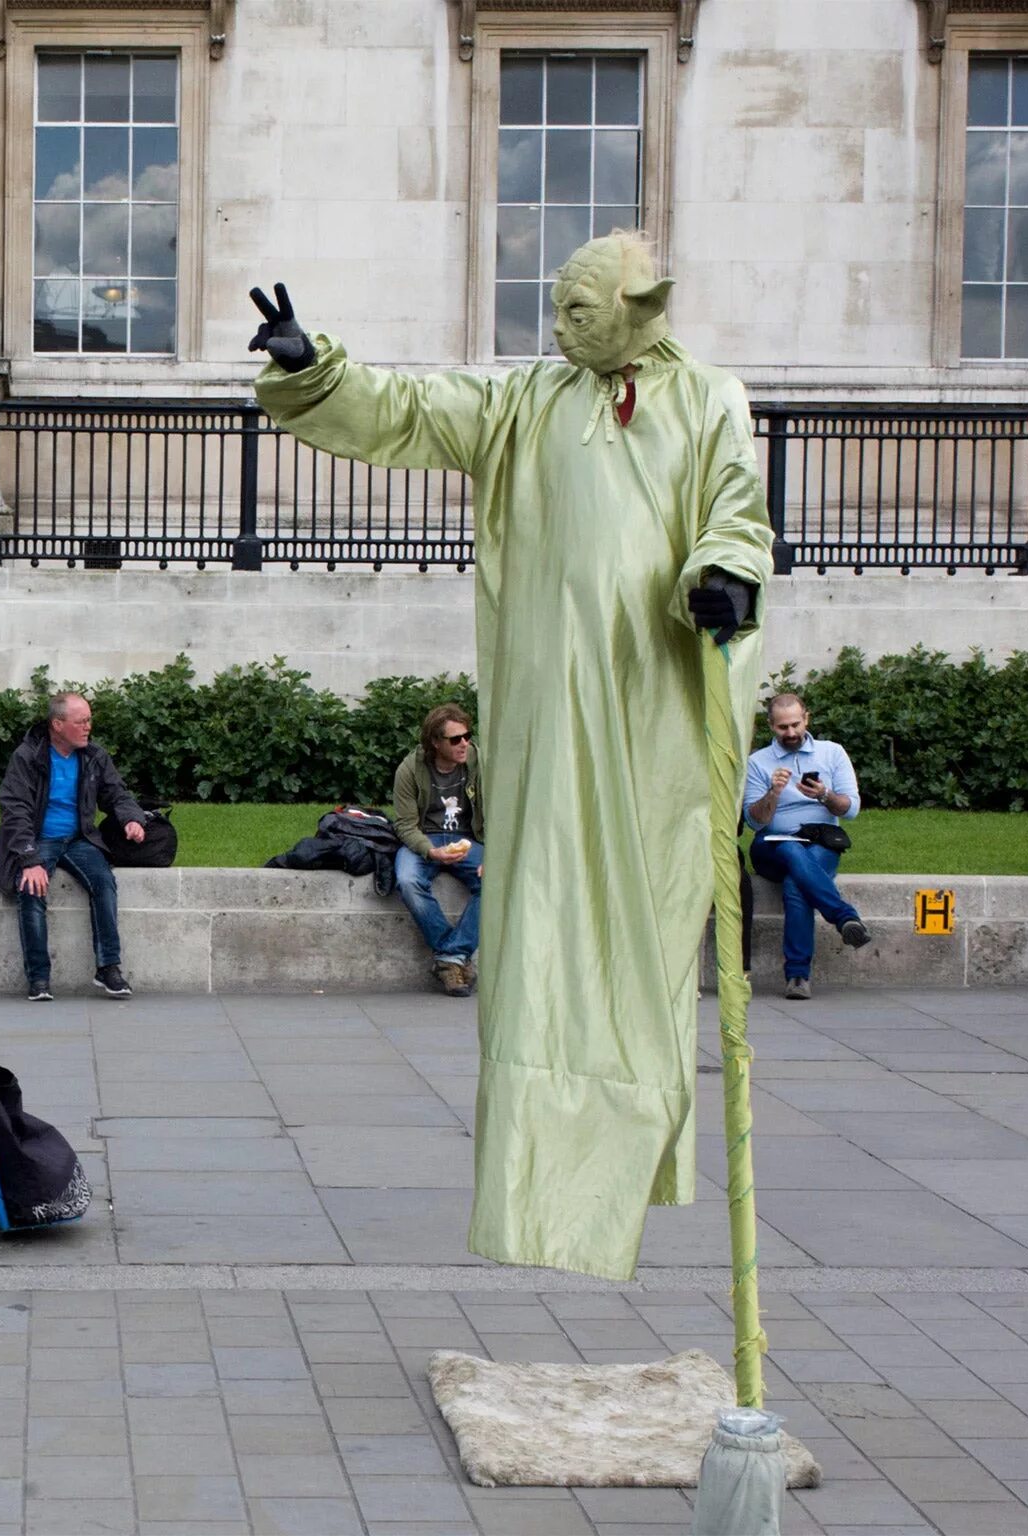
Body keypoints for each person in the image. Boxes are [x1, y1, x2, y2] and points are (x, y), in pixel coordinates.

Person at [249, 233, 773, 1282]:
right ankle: (551, 1184)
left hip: (652, 695)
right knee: (538, 935)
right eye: (557, 306)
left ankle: (634, 1137)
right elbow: (409, 413)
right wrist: (318, 369)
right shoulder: (526, 403)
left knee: (644, 915)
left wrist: (724, 576)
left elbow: (735, 513)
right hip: (545, 703)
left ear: (638, 306)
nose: (560, 324)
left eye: (579, 307)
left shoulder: (710, 398)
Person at [0, 691, 146, 1002]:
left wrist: (131, 819)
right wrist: (29, 857)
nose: (88, 727)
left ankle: (108, 968)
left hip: (78, 839)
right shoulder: (28, 756)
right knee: (31, 888)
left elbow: (117, 794)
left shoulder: (94, 756)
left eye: (89, 720)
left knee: (104, 882)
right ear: (58, 724)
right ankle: (39, 978)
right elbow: (14, 808)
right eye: (81, 721)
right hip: (38, 841)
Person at [743, 692, 871, 1000]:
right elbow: (754, 822)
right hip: (772, 846)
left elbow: (850, 809)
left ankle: (798, 977)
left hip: (821, 842)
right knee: (789, 848)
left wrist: (824, 795)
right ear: (771, 726)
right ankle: (844, 917)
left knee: (795, 885)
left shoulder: (832, 753)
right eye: (782, 727)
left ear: (807, 719)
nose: (790, 733)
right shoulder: (759, 762)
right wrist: (773, 793)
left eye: (795, 725)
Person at [390, 703, 485, 998]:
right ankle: (453, 957)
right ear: (434, 742)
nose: (464, 744)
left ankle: (450, 958)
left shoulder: (479, 763)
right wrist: (431, 852)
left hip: (468, 839)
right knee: (407, 880)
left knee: (499, 882)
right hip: (425, 839)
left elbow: (498, 813)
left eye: (466, 736)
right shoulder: (410, 769)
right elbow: (405, 825)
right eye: (455, 739)